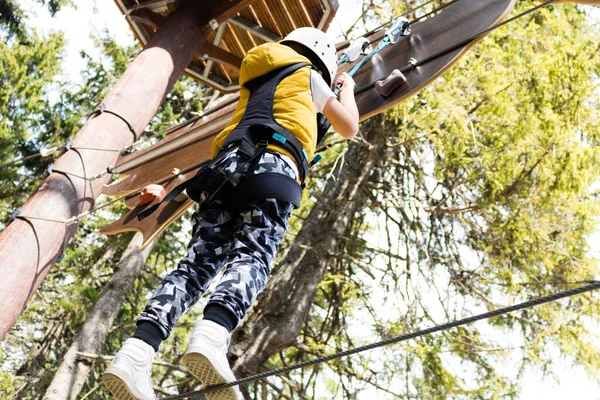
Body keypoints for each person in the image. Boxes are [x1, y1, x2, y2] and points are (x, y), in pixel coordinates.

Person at [102, 27, 359, 400]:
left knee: (194, 267)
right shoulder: (310, 76)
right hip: (274, 168)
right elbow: (348, 126)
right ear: (319, 58)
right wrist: (345, 89)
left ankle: (137, 352)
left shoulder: (256, 80)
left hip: (223, 174)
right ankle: (212, 333)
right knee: (252, 254)